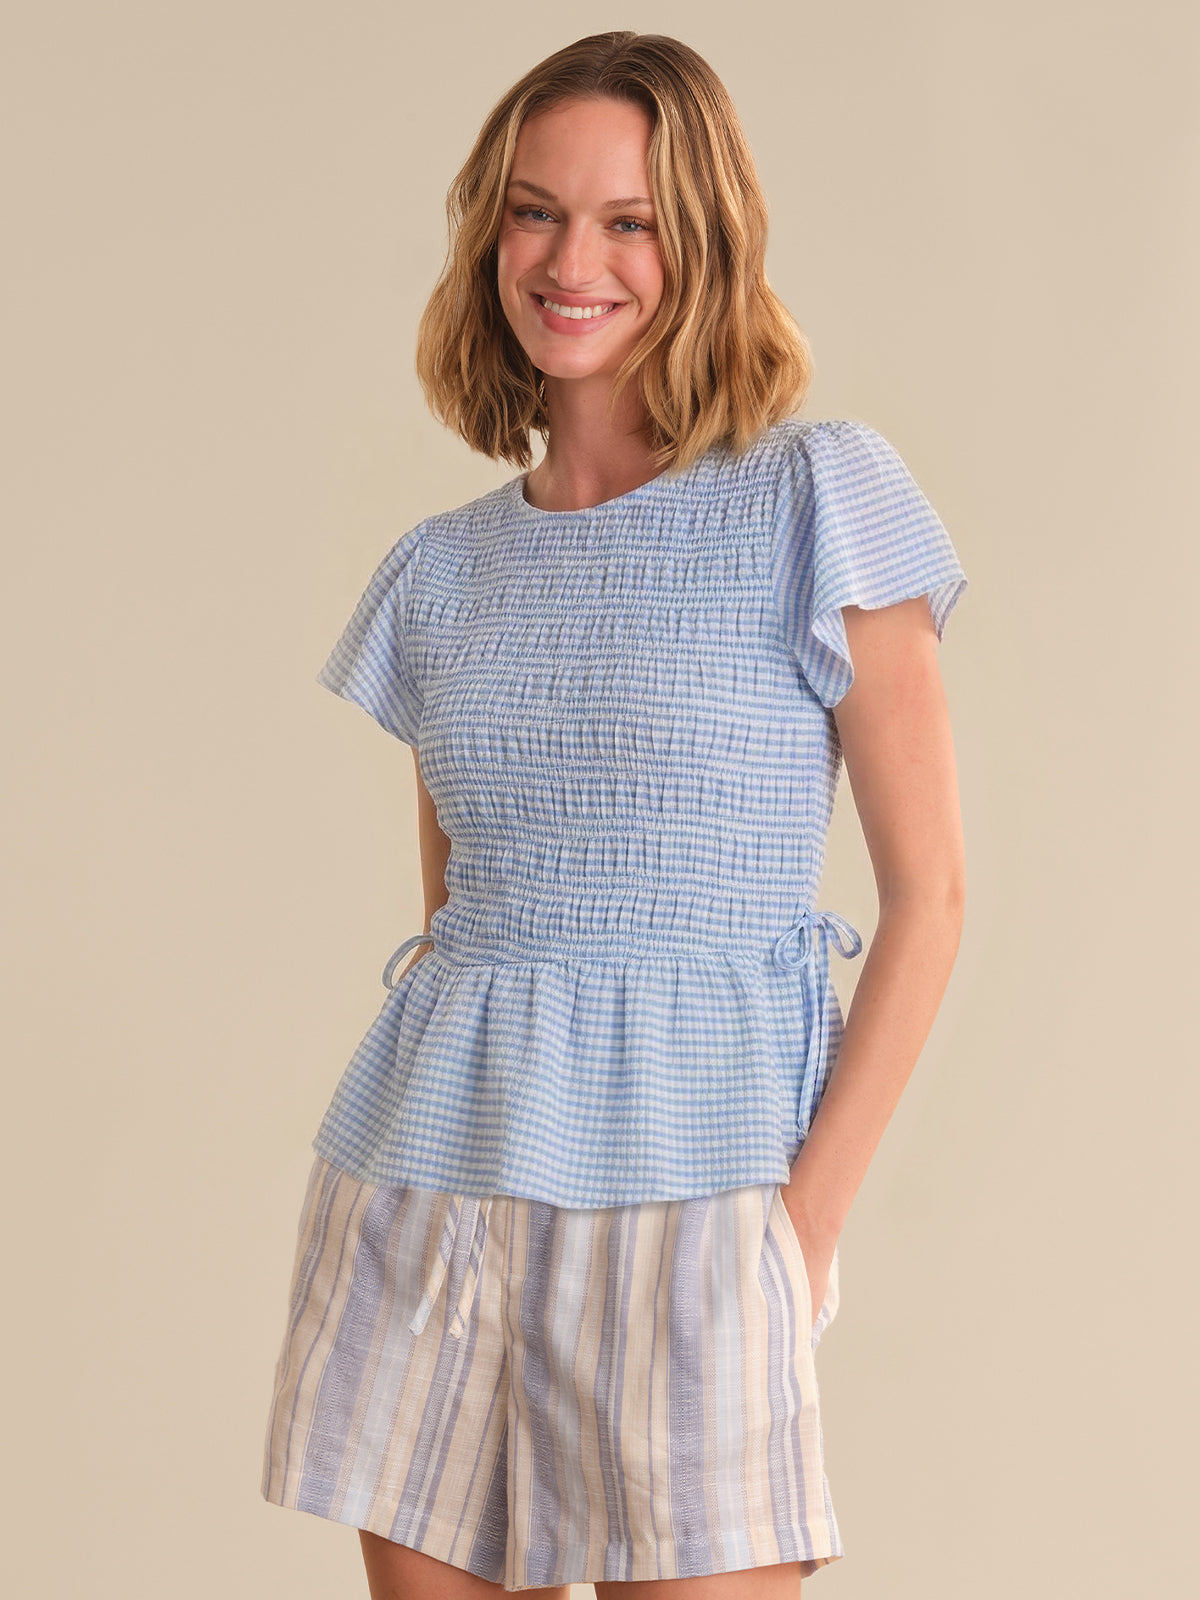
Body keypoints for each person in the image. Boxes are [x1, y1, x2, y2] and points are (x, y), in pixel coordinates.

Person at [261, 30, 969, 1599]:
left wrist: (802, 1230)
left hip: (702, 1195)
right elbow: (463, 920)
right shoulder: (440, 574)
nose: (572, 260)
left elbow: (933, 899)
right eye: (533, 213)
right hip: (437, 1181)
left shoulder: (814, 497)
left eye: (628, 220)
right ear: (488, 235)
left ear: (702, 241)